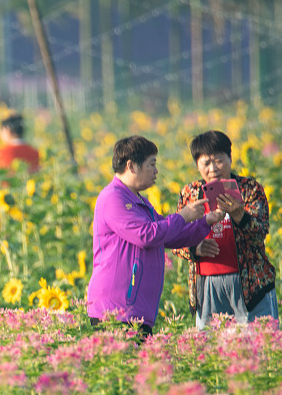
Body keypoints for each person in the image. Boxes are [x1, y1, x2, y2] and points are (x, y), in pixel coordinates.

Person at [86, 135, 224, 337]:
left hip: (135, 310)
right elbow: (146, 235)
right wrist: (183, 216)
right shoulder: (113, 197)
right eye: (152, 164)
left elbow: (168, 235)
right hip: (115, 310)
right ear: (131, 166)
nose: (156, 171)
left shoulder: (138, 200)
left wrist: (205, 222)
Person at [172, 130, 279, 329]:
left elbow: (260, 233)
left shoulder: (249, 189)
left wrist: (239, 214)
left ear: (230, 158)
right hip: (207, 285)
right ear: (197, 165)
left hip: (249, 285)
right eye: (205, 163)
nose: (213, 168)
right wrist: (195, 248)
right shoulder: (190, 193)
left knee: (258, 345)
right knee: (212, 351)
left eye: (219, 160)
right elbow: (175, 238)